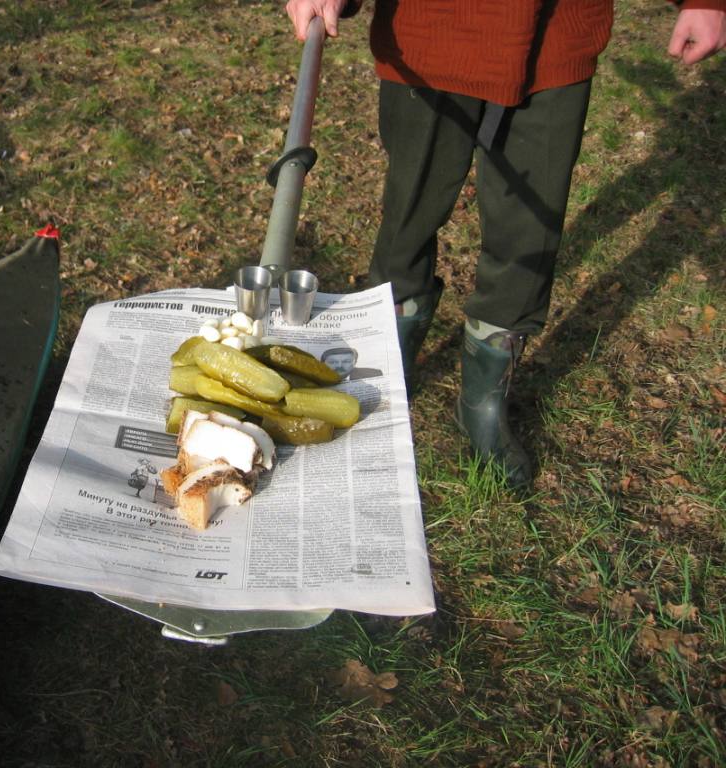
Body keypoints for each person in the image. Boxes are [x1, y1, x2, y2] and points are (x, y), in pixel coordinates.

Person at [285, 0, 726, 490]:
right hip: (430, 31)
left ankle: (483, 402)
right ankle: (389, 366)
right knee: (408, 217)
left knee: (527, 236)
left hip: (553, 40)